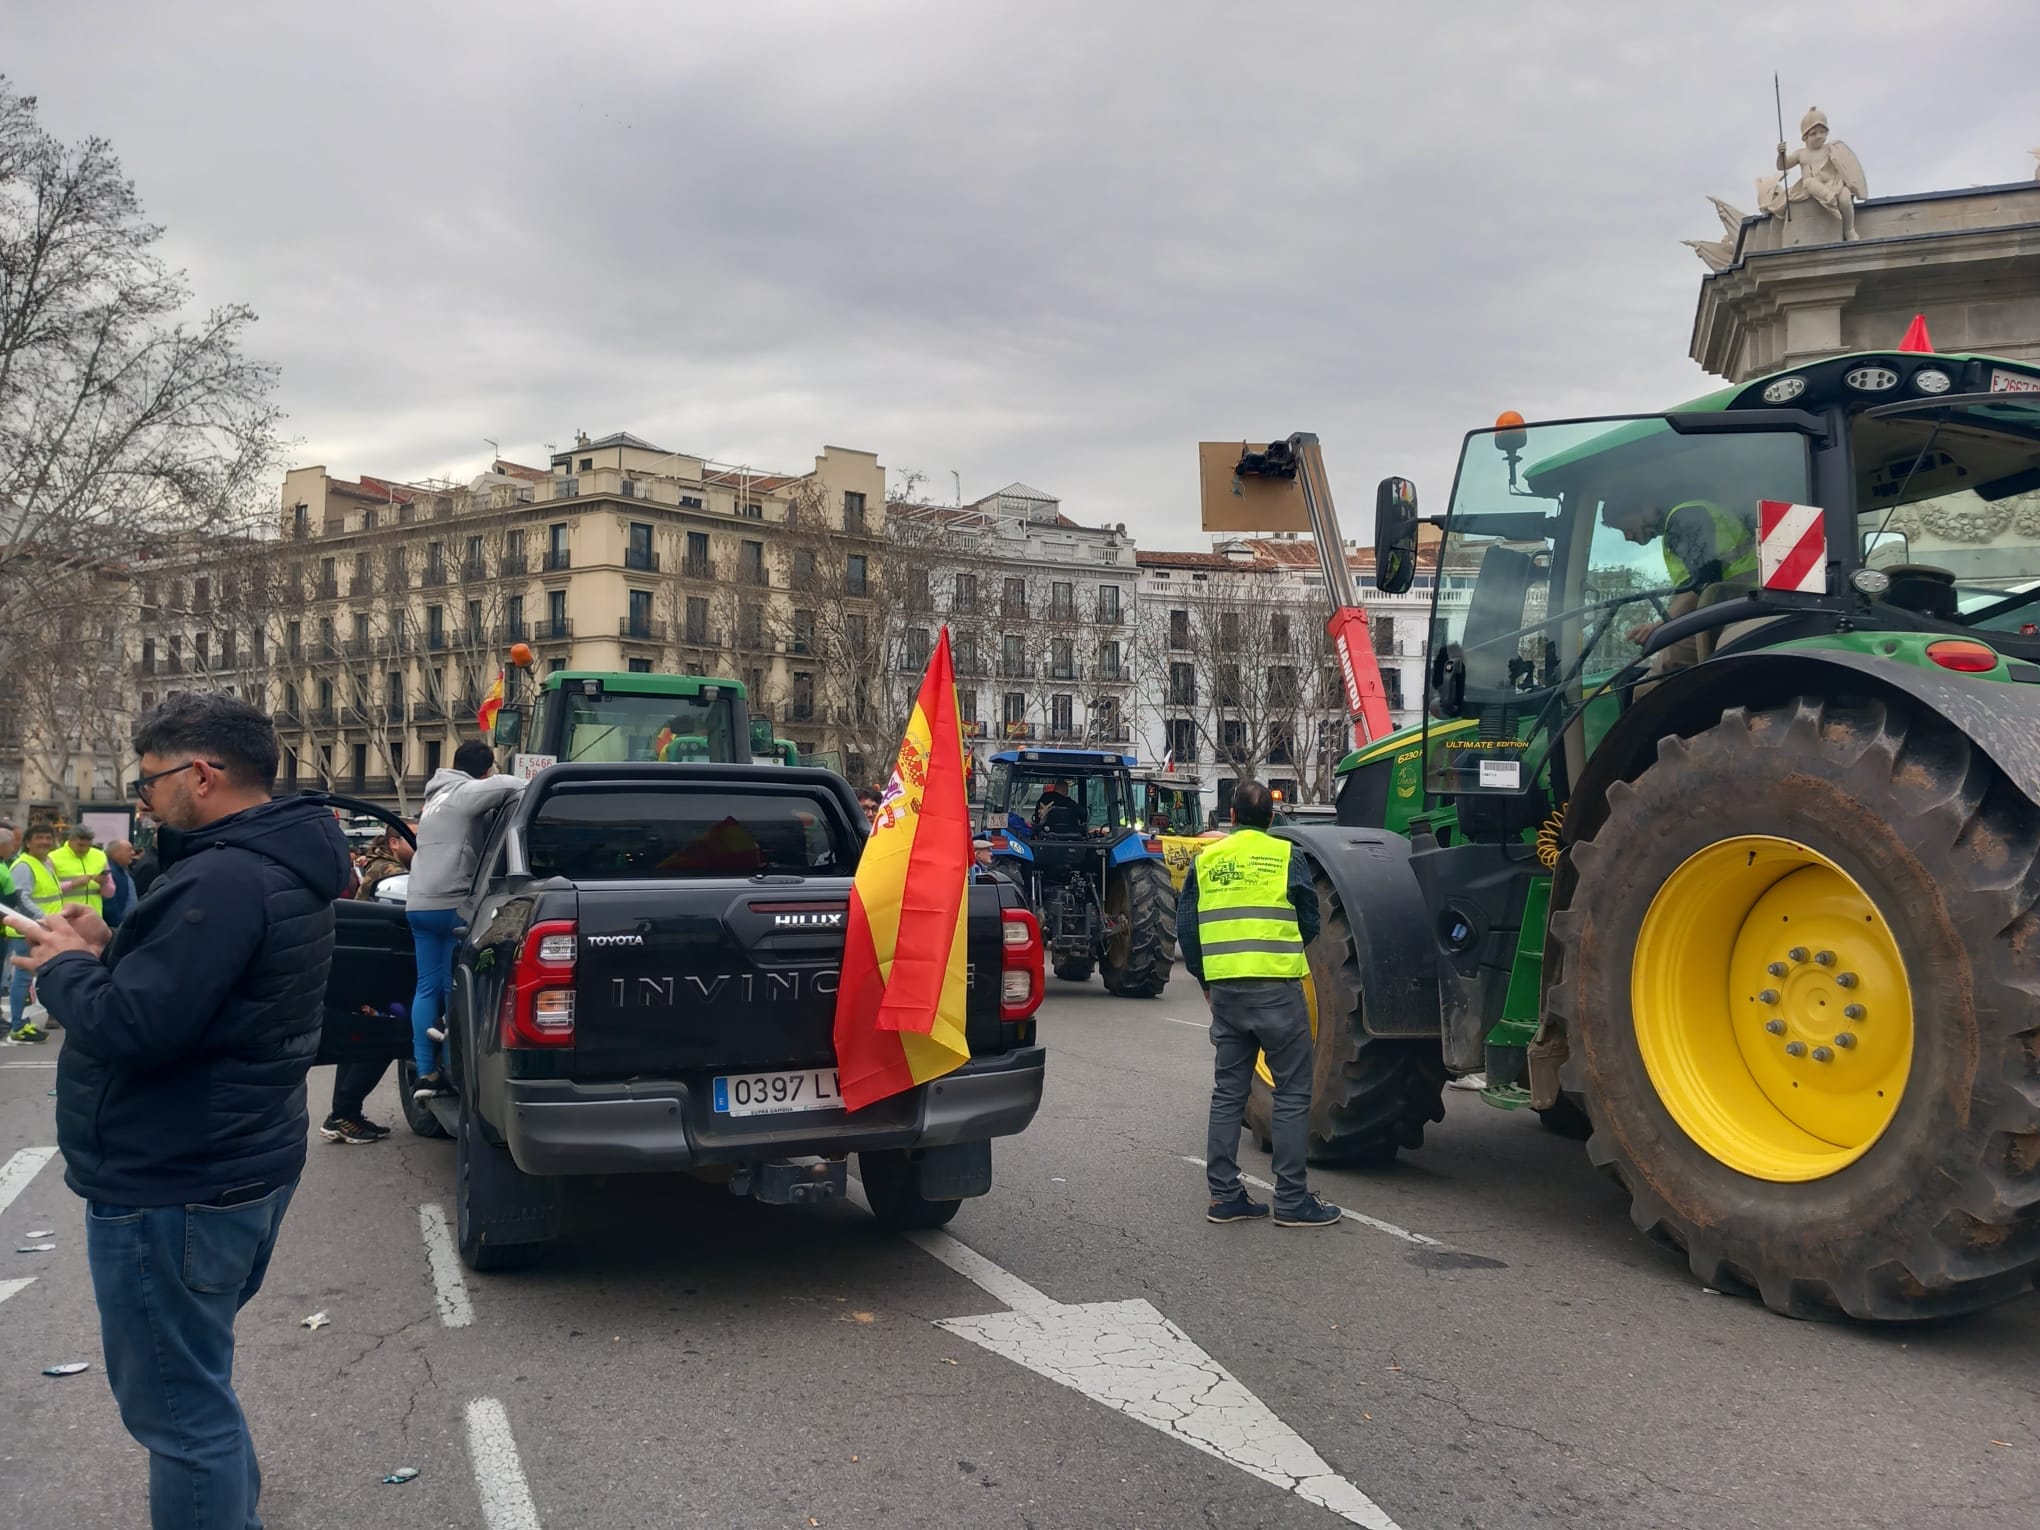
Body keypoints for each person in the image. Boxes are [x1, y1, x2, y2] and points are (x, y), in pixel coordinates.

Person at [13, 691, 350, 1530]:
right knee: (196, 1380)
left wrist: (61, 969)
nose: (142, 796)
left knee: (180, 1412)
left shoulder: (223, 877)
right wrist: (104, 948)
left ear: (202, 775)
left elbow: (137, 1028)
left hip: (175, 1180)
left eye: (150, 778)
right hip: (238, 1162)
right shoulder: (274, 860)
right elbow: (208, 994)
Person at [1180, 780, 1342, 1229]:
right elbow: (1310, 919)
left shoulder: (1207, 860)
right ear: (1272, 818)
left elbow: (1187, 928)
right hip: (1278, 991)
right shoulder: (1286, 857)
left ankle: (1224, 1196)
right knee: (1291, 1091)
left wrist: (1205, 980)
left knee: (1228, 1092)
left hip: (1227, 993)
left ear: (1229, 817)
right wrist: (1281, 952)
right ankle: (1291, 1200)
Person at [409, 741, 526, 1099]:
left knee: (426, 988)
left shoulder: (434, 800)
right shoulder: (467, 792)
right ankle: (454, 1068)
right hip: (452, 902)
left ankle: (426, 1072)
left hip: (418, 903)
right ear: (484, 770)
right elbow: (515, 785)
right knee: (453, 987)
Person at [323, 828, 415, 1146]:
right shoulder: (391, 873)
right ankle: (344, 1113)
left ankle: (343, 1114)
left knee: (360, 1038)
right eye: (412, 838)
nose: (419, 845)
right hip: (380, 969)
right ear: (393, 842)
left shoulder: (379, 865)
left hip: (366, 966)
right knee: (382, 1038)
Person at [1602, 497, 1758, 669]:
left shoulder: (1685, 518)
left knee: (1653, 682)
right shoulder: (1682, 522)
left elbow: (1702, 584)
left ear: (1646, 506)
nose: (1627, 537)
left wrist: (1662, 625)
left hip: (1742, 605)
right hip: (1735, 605)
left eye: (1626, 527)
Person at [6, 824, 64, 1044]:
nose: (45, 842)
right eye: (39, 838)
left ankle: (23, 1023)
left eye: (48, 838)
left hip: (40, 929)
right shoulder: (24, 865)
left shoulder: (45, 863)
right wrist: (44, 919)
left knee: (32, 979)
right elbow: (22, 898)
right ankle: (17, 1027)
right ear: (28, 842)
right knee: (22, 979)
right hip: (28, 931)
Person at [51, 823, 114, 919]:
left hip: (94, 918)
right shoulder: (53, 857)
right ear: (71, 840)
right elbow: (48, 891)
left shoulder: (100, 856)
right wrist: (72, 884)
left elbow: (110, 893)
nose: (84, 849)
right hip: (67, 918)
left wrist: (103, 884)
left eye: (88, 846)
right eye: (80, 845)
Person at [104, 839, 139, 926]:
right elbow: (109, 904)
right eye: (129, 850)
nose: (133, 853)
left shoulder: (122, 870)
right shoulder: (109, 872)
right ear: (116, 852)